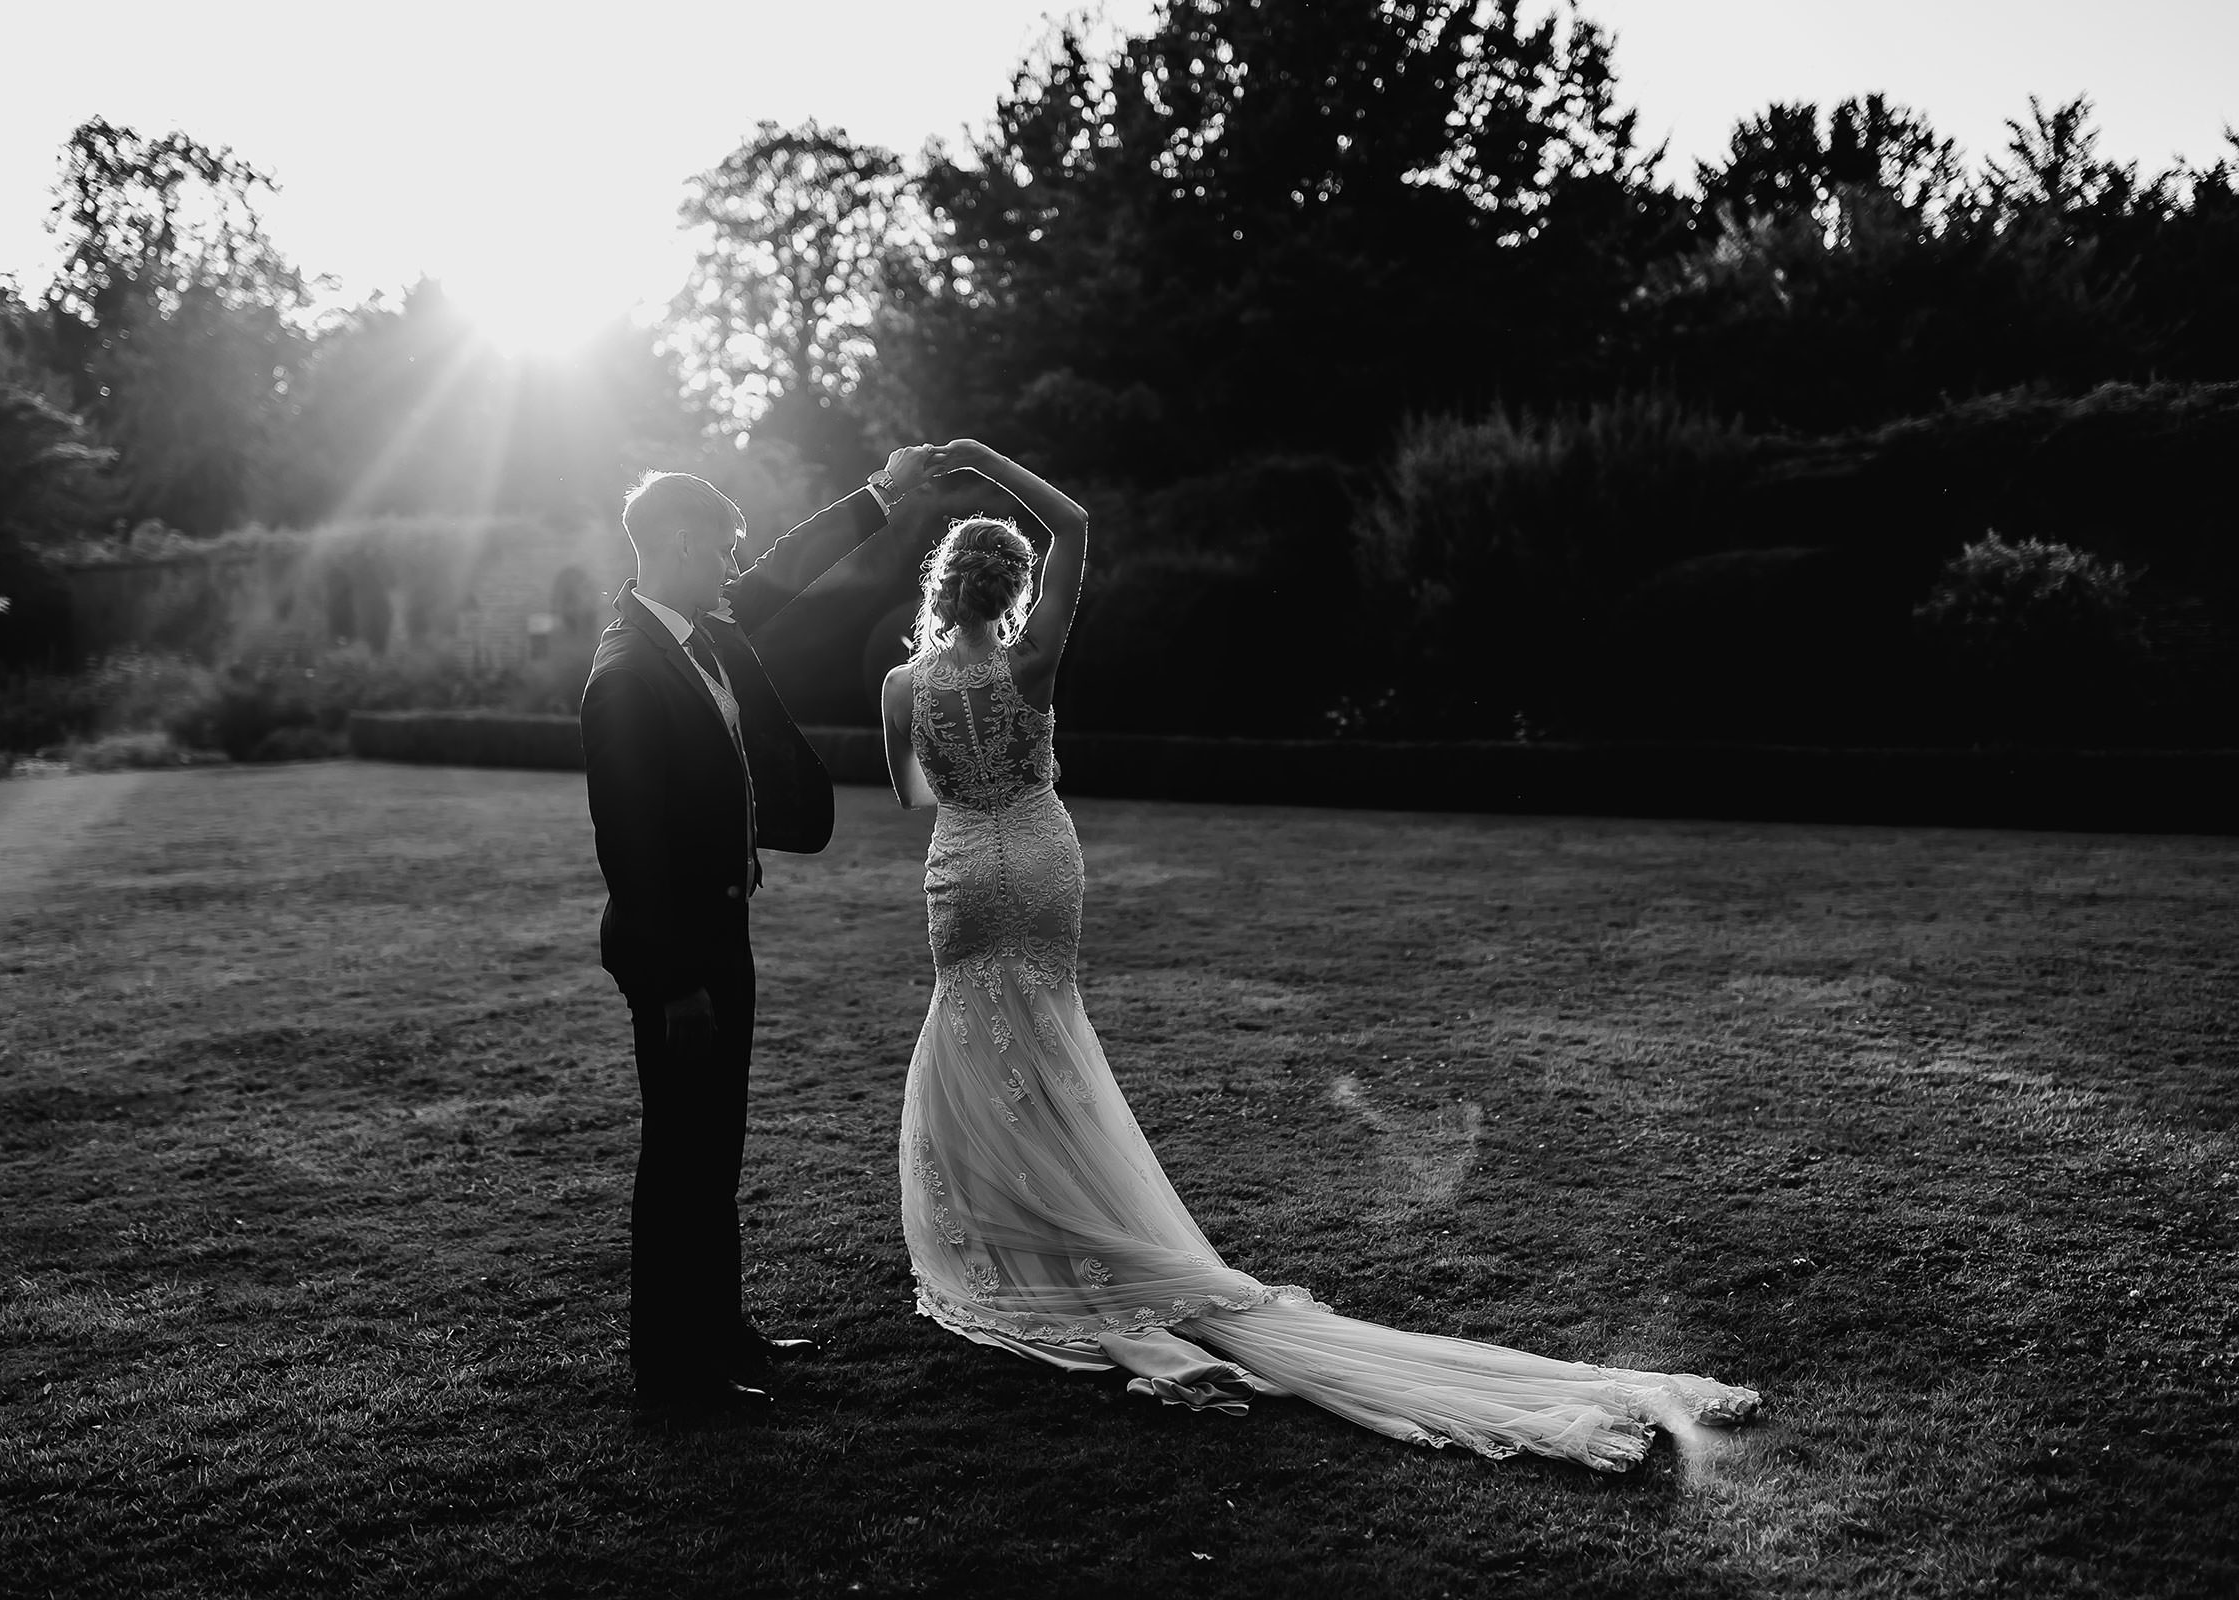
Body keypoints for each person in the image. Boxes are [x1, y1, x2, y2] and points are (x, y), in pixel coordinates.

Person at [880, 438, 1760, 1468]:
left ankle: (1021, 1240)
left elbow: (911, 795)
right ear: (1014, 586)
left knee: (981, 1046)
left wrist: (964, 783)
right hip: (1039, 859)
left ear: (942, 587)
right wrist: (973, 458)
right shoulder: (1033, 662)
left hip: (961, 874)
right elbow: (1074, 520)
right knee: (1054, 1047)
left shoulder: (904, 685)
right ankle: (1084, 1225)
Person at [586, 447, 936, 1419]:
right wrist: (673, 985)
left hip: (726, 926)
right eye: (726, 551)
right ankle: (672, 1373)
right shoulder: (624, 674)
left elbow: (789, 562)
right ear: (685, 544)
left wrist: (879, 494)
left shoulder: (709, 632)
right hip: (676, 956)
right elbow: (630, 846)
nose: (739, 568)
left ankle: (723, 1332)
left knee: (718, 1144)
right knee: (679, 1160)